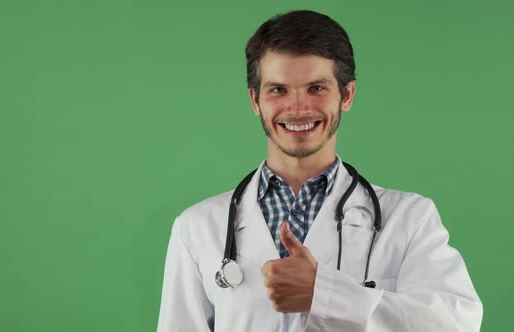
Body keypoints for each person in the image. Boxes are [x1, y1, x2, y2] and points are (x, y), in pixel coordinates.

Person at [157, 10, 482, 332]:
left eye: (316, 88)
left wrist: (325, 295)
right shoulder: (197, 228)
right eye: (278, 90)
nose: (297, 108)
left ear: (347, 95)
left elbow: (458, 324)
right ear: (255, 100)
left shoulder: (409, 219)